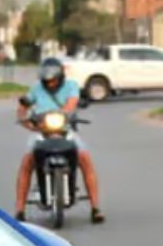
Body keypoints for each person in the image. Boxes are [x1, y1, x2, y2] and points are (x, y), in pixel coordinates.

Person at [14, 58, 105, 224]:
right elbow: (23, 107)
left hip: (66, 130)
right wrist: (26, 121)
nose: (50, 84)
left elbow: (71, 104)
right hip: (42, 132)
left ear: (60, 77)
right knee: (27, 162)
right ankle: (19, 209)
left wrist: (62, 114)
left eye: (53, 80)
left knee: (84, 159)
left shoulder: (71, 86)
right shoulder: (36, 89)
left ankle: (95, 207)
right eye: (47, 81)